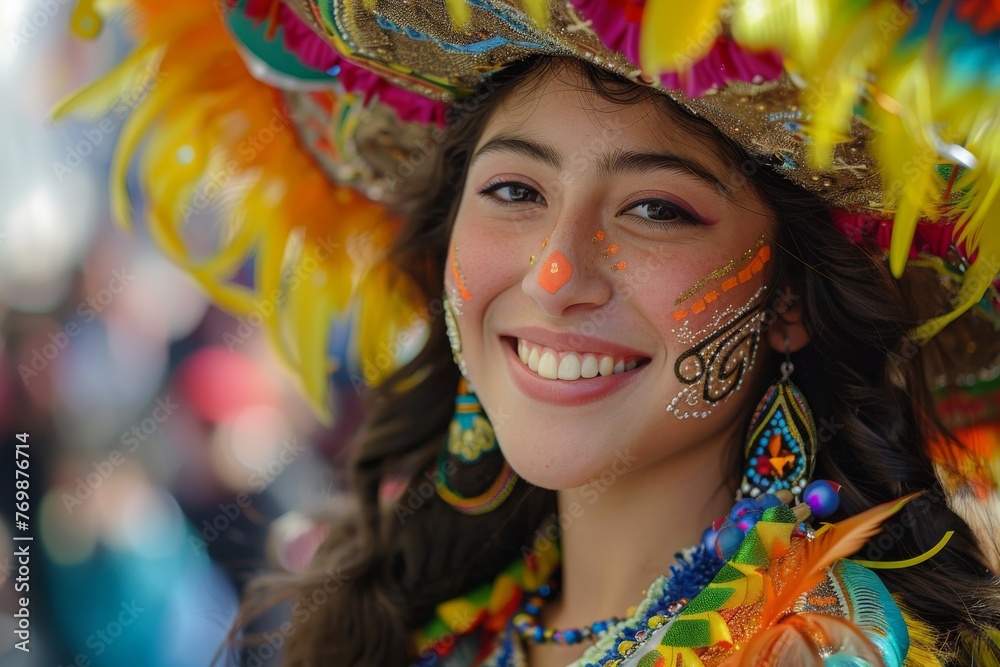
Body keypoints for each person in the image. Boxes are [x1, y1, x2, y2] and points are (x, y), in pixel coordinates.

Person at [61, 0, 1000, 665]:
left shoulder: (824, 648)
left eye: (655, 209)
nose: (555, 275)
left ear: (790, 300)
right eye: (515, 191)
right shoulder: (440, 625)